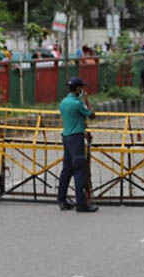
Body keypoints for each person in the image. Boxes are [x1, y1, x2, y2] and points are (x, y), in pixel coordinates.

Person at [57, 77, 98, 213]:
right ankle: (81, 203)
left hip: (66, 137)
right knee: (80, 169)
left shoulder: (63, 103)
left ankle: (62, 200)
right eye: (81, 87)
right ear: (77, 89)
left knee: (66, 170)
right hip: (76, 139)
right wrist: (86, 99)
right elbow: (92, 115)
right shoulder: (77, 103)